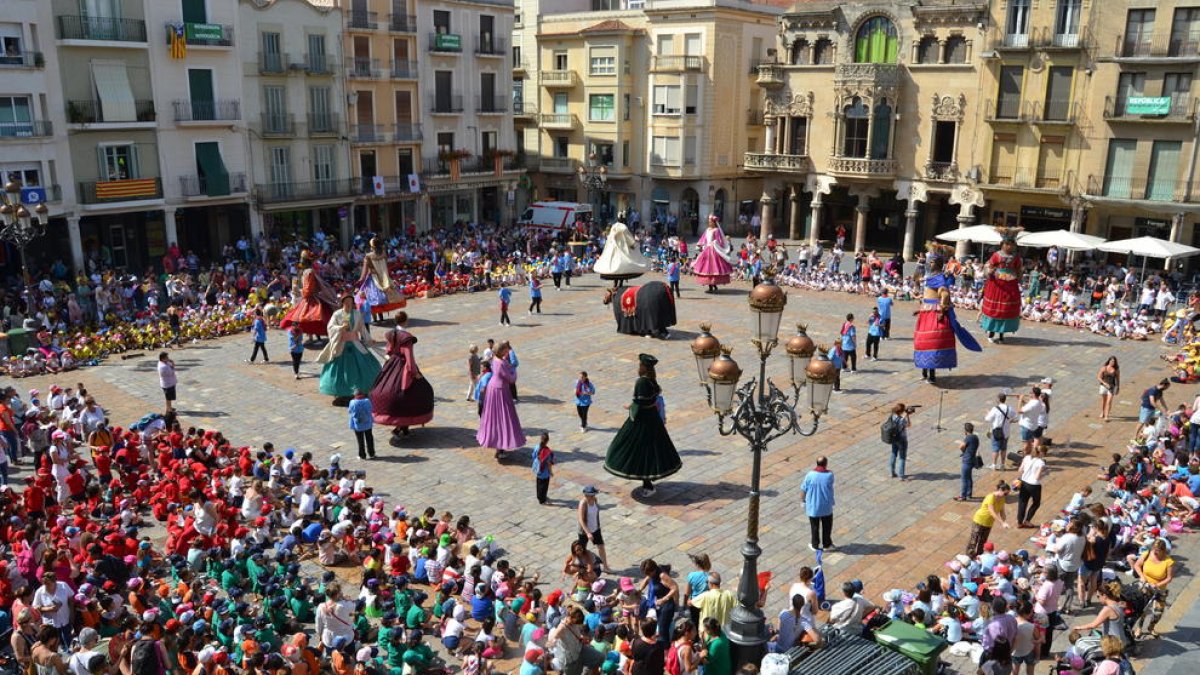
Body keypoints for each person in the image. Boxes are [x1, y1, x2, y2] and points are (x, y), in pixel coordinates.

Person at [604, 354, 682, 495]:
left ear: (643, 367)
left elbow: (640, 402)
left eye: (639, 365)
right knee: (650, 451)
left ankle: (648, 486)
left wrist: (631, 408)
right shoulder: (652, 380)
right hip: (652, 417)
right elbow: (653, 396)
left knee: (637, 450)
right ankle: (648, 483)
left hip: (643, 420)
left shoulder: (642, 382)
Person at [913, 244, 981, 384]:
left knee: (932, 343)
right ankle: (924, 372)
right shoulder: (932, 277)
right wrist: (921, 308)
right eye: (929, 261)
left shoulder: (939, 278)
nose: (929, 263)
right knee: (921, 342)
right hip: (926, 313)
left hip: (935, 314)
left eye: (931, 261)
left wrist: (942, 310)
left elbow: (944, 294)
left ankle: (931, 375)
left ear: (937, 263)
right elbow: (927, 293)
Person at [369, 311, 434, 437]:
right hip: (403, 367)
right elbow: (409, 357)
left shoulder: (391, 334)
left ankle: (403, 427)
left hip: (392, 364)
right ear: (405, 321)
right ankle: (401, 427)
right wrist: (414, 373)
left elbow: (388, 350)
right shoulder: (406, 337)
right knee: (415, 393)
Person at [316, 295, 382, 405]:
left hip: (355, 343)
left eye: (350, 302)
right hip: (342, 344)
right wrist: (340, 328)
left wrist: (369, 339)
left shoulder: (356, 313)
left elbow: (362, 329)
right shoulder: (337, 314)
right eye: (346, 302)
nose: (348, 304)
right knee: (341, 368)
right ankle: (343, 392)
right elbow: (330, 327)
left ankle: (362, 389)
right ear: (342, 303)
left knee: (363, 364)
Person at [476, 341, 525, 460]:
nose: (507, 352)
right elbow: (510, 378)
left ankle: (498, 445)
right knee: (503, 417)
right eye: (505, 350)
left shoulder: (495, 359)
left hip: (494, 388)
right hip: (500, 391)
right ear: (502, 351)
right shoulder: (502, 363)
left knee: (495, 417)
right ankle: (500, 446)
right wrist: (514, 372)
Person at [280, 250, 336, 341]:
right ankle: (319, 336)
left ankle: (318, 336)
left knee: (308, 317)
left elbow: (308, 288)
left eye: (302, 262)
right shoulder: (309, 271)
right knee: (313, 317)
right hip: (311, 296)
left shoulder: (308, 272)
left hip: (310, 297)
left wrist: (301, 292)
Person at [981, 232, 1023, 343]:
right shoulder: (996, 255)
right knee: (995, 310)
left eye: (1012, 245)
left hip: (1010, 284)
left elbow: (1019, 270)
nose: (1010, 247)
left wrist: (1019, 279)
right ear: (1003, 244)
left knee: (1005, 310)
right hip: (997, 284)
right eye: (1008, 244)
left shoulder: (1016, 257)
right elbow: (989, 266)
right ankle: (991, 333)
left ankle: (1001, 335)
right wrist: (990, 271)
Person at [1132, 539, 1175, 639]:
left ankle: (1151, 627)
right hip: (1145, 585)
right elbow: (1137, 565)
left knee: (1158, 612)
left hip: (1159, 589)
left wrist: (1158, 584)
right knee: (1143, 609)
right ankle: (1139, 628)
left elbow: (1169, 578)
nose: (1154, 552)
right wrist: (1142, 577)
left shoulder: (1168, 562)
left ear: (1163, 550)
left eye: (1157, 551)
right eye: (1153, 549)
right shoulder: (1147, 554)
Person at [357, 237, 406, 322]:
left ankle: (375, 319)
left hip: (372, 278)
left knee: (371, 298)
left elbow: (365, 270)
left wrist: (361, 279)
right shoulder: (383, 253)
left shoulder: (368, 256)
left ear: (371, 246)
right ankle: (381, 318)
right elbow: (385, 266)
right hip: (384, 278)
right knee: (382, 298)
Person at [594, 217, 650, 285]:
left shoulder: (614, 227)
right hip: (622, 246)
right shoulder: (624, 227)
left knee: (614, 262)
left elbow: (610, 237)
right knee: (623, 263)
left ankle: (615, 282)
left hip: (614, 246)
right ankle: (620, 282)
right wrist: (632, 244)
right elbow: (628, 237)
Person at [799, 456, 835, 551]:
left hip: (813, 506)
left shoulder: (810, 475)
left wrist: (802, 501)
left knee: (814, 527)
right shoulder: (830, 475)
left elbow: (803, 489)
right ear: (826, 464)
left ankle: (815, 545)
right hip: (826, 506)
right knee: (827, 526)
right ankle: (827, 544)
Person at [967, 481, 1011, 556]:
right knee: (973, 541)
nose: (1006, 495)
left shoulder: (1002, 498)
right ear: (1000, 490)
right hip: (979, 520)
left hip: (988, 523)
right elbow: (992, 512)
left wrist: (1004, 521)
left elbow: (1002, 511)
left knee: (983, 542)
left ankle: (979, 557)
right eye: (1005, 493)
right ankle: (969, 557)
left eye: (1007, 494)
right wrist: (1002, 523)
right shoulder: (991, 497)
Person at [692, 215, 733, 293]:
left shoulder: (716, 230)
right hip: (707, 249)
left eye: (710, 222)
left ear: (714, 223)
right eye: (709, 222)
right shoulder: (707, 229)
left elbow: (720, 240)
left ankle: (712, 285)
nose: (709, 223)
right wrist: (699, 244)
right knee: (706, 267)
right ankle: (712, 285)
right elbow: (703, 238)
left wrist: (715, 242)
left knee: (713, 267)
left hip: (713, 249)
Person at [577, 486, 610, 572]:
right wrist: (588, 532)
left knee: (601, 547)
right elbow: (581, 519)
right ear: (586, 495)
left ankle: (605, 567)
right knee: (581, 550)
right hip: (584, 532)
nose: (593, 496)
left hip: (595, 528)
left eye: (594, 494)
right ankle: (581, 568)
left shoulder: (595, 500)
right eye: (591, 495)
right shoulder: (583, 503)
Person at [1015, 445, 1046, 527]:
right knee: (1036, 503)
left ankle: (1019, 522)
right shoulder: (1041, 463)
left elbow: (1020, 470)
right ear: (1041, 453)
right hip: (1034, 486)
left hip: (1024, 483)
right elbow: (1037, 477)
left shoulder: (1026, 458)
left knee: (1022, 503)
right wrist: (1045, 473)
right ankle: (1027, 520)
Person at [984, 393, 1016, 470]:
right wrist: (1011, 421)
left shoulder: (995, 409)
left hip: (997, 432)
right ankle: (1002, 465)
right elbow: (1016, 418)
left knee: (995, 448)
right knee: (1004, 449)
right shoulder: (1009, 408)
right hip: (1006, 432)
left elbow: (988, 419)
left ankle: (994, 465)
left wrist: (988, 413)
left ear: (998, 399)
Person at [886, 403, 913, 480]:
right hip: (902, 440)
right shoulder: (902, 420)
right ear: (901, 411)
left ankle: (892, 472)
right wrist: (907, 415)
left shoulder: (892, 416)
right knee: (902, 457)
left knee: (893, 454)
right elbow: (909, 425)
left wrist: (904, 415)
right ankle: (901, 475)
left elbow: (898, 419)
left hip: (894, 438)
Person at [955, 422, 980, 501]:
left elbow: (961, 447)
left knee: (964, 478)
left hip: (967, 460)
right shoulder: (975, 437)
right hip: (972, 459)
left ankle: (963, 496)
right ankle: (969, 494)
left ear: (965, 431)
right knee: (969, 478)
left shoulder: (968, 438)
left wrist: (962, 449)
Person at [348, 389, 375, 460]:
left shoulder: (352, 402)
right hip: (367, 424)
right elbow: (371, 409)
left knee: (360, 440)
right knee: (369, 439)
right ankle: (371, 454)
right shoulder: (367, 401)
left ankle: (362, 455)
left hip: (358, 425)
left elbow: (350, 411)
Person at [532, 433, 554, 505]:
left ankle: (539, 496)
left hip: (538, 470)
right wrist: (550, 472)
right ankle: (542, 500)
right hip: (545, 472)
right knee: (544, 486)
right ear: (547, 441)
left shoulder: (536, 447)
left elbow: (533, 456)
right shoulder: (548, 451)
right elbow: (549, 463)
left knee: (538, 483)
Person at [1097, 356, 1120, 421]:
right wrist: (1104, 383)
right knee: (1104, 401)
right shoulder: (1104, 368)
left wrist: (1117, 388)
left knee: (1109, 401)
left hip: (1111, 387)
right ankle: (1102, 412)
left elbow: (1118, 379)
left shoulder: (1116, 370)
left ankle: (1106, 416)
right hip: (1103, 386)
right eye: (1111, 361)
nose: (1112, 362)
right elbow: (1098, 377)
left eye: (1114, 362)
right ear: (1109, 361)